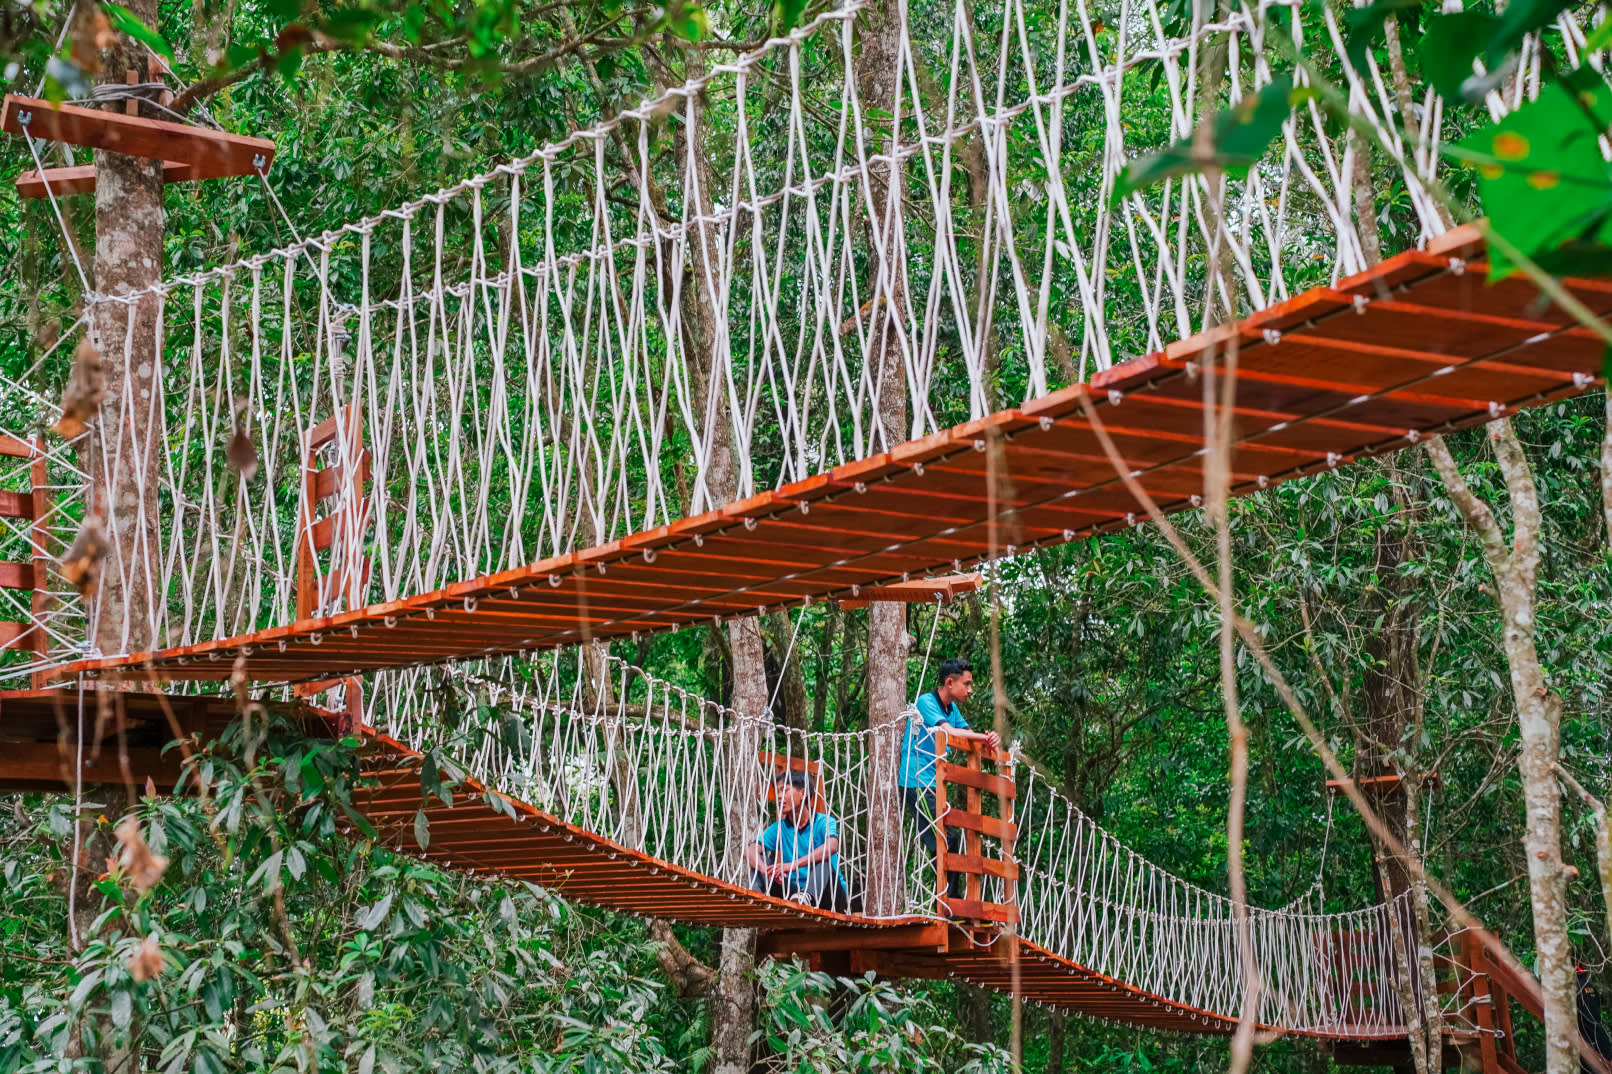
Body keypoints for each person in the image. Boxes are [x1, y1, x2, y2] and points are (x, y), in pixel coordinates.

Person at [898, 657, 1001, 900]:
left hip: (935, 783)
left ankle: (949, 900)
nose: (970, 690)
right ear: (950, 683)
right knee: (946, 839)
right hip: (916, 781)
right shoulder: (926, 702)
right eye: (967, 684)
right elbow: (950, 732)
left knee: (949, 840)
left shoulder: (951, 709)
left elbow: (966, 734)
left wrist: (990, 740)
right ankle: (949, 902)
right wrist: (984, 738)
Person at [748, 769, 851, 911]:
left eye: (785, 790)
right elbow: (750, 850)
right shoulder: (779, 828)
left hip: (829, 896)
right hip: (794, 896)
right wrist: (764, 869)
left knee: (823, 862)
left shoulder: (823, 821)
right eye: (778, 792)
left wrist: (793, 865)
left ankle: (806, 896)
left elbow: (832, 846)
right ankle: (754, 899)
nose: (779, 796)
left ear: (803, 793)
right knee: (762, 861)